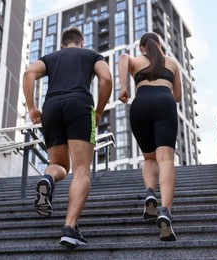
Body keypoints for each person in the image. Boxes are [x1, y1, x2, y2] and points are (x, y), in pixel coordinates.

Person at [23, 27, 112, 247]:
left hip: (51, 107)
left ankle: (48, 178)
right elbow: (107, 79)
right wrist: (99, 110)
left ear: (63, 45)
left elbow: (28, 74)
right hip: (79, 105)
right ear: (81, 42)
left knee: (59, 164)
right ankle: (70, 227)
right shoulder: (91, 55)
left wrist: (32, 108)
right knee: (81, 169)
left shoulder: (51, 58)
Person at [118, 32, 181, 241]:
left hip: (140, 106)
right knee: (166, 159)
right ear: (160, 45)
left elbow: (123, 58)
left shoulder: (137, 60)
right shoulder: (172, 63)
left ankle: (150, 192)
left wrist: (124, 87)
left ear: (142, 47)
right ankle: (165, 210)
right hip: (164, 102)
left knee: (149, 157)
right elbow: (178, 97)